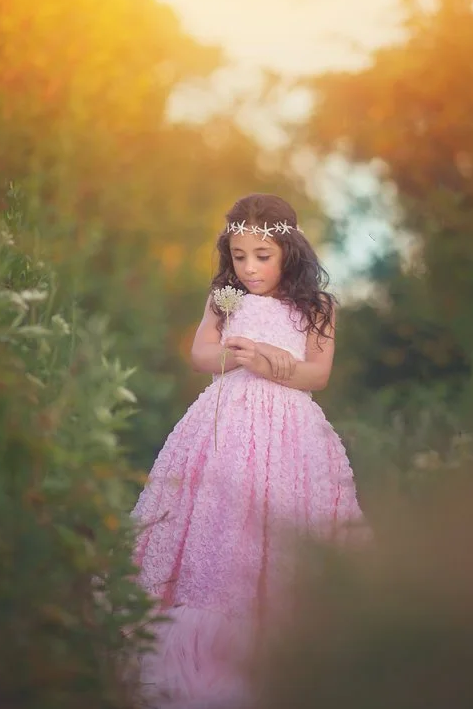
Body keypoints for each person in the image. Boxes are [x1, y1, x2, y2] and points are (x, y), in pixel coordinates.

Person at [129, 193, 367, 708]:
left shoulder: (317, 307)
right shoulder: (225, 297)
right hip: (225, 427)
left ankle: (279, 649)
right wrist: (236, 357)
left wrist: (270, 363)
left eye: (263, 256)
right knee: (220, 518)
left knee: (279, 518)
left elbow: (316, 374)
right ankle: (204, 645)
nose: (250, 267)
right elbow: (200, 353)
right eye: (240, 256)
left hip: (290, 434)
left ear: (288, 251)